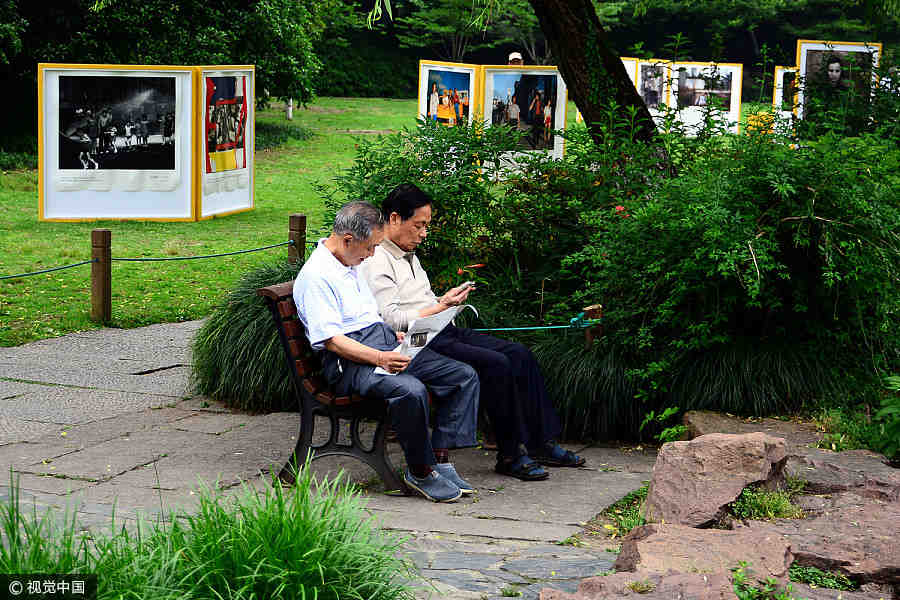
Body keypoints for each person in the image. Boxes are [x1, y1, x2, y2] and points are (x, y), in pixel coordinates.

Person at [362, 184, 586, 482]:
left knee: (520, 354)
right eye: (419, 226)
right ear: (393, 219)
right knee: (496, 364)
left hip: (442, 327)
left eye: (426, 226)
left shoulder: (408, 253)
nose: (424, 234)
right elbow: (391, 319)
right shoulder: (377, 259)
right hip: (419, 340)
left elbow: (421, 301)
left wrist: (444, 303)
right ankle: (510, 454)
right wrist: (441, 305)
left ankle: (540, 442)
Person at [294, 201, 481, 503]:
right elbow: (333, 342)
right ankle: (420, 470)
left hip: (381, 342)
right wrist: (381, 357)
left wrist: (392, 337)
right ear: (348, 240)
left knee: (462, 375)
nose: (371, 256)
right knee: (410, 390)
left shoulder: (349, 261)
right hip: (350, 362)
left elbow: (366, 316)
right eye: (370, 248)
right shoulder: (317, 276)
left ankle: (440, 459)